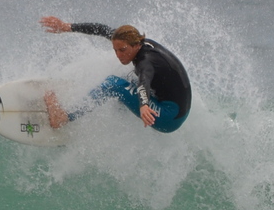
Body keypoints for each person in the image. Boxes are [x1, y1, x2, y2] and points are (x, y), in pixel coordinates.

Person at [38, 16, 191, 133]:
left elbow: (144, 81)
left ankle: (64, 118)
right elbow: (100, 28)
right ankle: (116, 112)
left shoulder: (146, 61)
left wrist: (144, 105)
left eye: (122, 50)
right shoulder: (134, 41)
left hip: (170, 116)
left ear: (136, 45)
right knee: (124, 78)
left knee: (113, 83)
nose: (118, 55)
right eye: (115, 50)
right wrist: (67, 27)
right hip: (173, 104)